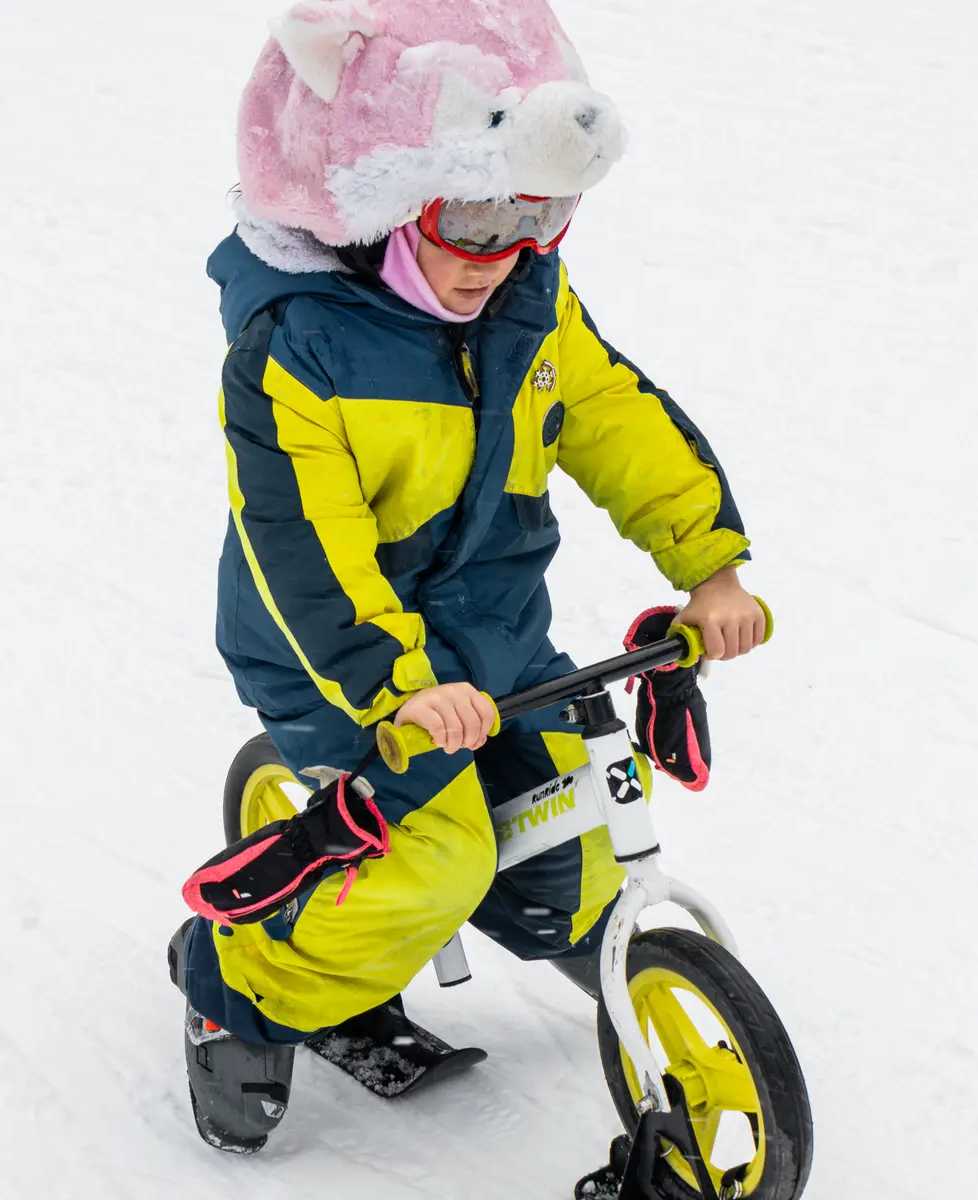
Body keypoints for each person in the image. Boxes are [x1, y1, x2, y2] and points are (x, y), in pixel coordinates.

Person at [170, 0, 766, 1153]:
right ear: (378, 210)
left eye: (542, 213)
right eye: (479, 211)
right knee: (430, 864)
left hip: (493, 644)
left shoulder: (529, 298)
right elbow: (305, 552)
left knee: (571, 862)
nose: (508, 251)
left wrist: (714, 567)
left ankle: (502, 906)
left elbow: (613, 417)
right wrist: (395, 688)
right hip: (340, 662)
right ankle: (237, 984)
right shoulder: (298, 350)